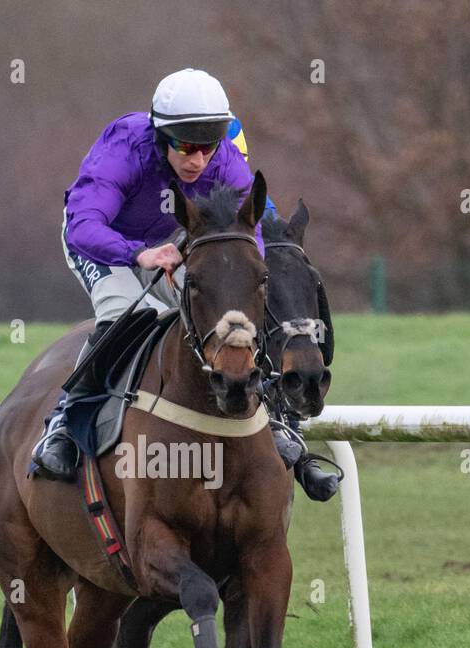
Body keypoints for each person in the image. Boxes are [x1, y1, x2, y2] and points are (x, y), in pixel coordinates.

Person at [31, 67, 338, 500]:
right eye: (186, 147)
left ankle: (274, 421)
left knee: (226, 310)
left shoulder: (225, 159)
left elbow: (259, 231)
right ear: (161, 135)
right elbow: (84, 226)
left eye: (208, 147)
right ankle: (64, 421)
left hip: (174, 243)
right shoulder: (126, 147)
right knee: (128, 313)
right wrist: (140, 254)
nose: (198, 160)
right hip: (104, 244)